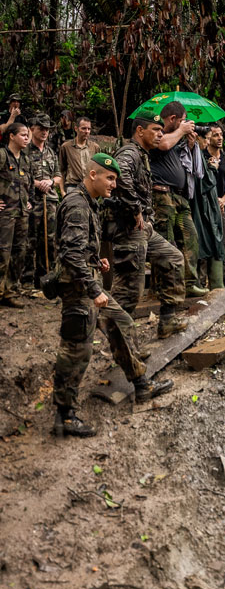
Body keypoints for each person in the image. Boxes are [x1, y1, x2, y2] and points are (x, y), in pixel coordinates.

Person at [51, 153, 173, 437]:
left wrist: (96, 261)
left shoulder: (89, 203)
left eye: (116, 179)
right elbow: (69, 253)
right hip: (79, 290)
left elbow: (79, 248)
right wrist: (95, 289)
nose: (114, 185)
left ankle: (141, 384)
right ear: (92, 174)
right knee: (76, 351)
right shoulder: (77, 204)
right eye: (110, 178)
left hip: (88, 283)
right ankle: (64, 416)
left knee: (122, 323)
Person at [108, 115, 188, 337]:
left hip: (145, 229)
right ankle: (123, 345)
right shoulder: (129, 153)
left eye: (162, 130)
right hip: (129, 229)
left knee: (173, 258)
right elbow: (119, 175)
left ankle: (168, 320)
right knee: (130, 291)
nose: (160, 134)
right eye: (156, 130)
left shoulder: (143, 155)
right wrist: (135, 208)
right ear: (140, 131)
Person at [149, 101, 206, 296]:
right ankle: (162, 287)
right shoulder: (157, 134)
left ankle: (189, 283)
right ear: (172, 119)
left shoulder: (174, 138)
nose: (184, 123)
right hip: (162, 195)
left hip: (179, 197)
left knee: (191, 238)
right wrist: (181, 130)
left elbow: (176, 154)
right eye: (181, 120)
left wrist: (189, 145)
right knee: (165, 243)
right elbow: (163, 144)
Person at [24, 115, 61, 289]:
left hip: (50, 200)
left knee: (49, 239)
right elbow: (20, 176)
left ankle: (46, 277)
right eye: (41, 128)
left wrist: (51, 182)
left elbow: (59, 176)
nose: (45, 132)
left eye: (47, 129)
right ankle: (27, 279)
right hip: (32, 200)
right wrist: (37, 183)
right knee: (30, 239)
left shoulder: (51, 151)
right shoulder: (25, 151)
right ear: (32, 129)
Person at [0, 120, 31, 306]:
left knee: (19, 252)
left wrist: (28, 201)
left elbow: (30, 183)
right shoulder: (2, 155)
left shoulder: (25, 159)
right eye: (23, 135)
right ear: (12, 136)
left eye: (28, 135)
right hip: (5, 214)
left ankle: (10, 292)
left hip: (21, 214)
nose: (27, 139)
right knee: (2, 254)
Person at [202, 124, 225, 288]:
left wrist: (224, 199)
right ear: (208, 138)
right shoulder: (202, 155)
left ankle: (224, 282)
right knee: (205, 243)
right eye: (215, 135)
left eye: (221, 134)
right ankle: (202, 284)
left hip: (223, 207)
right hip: (205, 208)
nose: (220, 138)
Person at [59, 114, 100, 192]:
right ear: (76, 128)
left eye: (89, 129)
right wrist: (62, 191)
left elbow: (98, 169)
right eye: (84, 128)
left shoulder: (95, 147)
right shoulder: (66, 147)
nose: (87, 131)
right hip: (73, 186)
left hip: (90, 186)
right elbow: (61, 170)